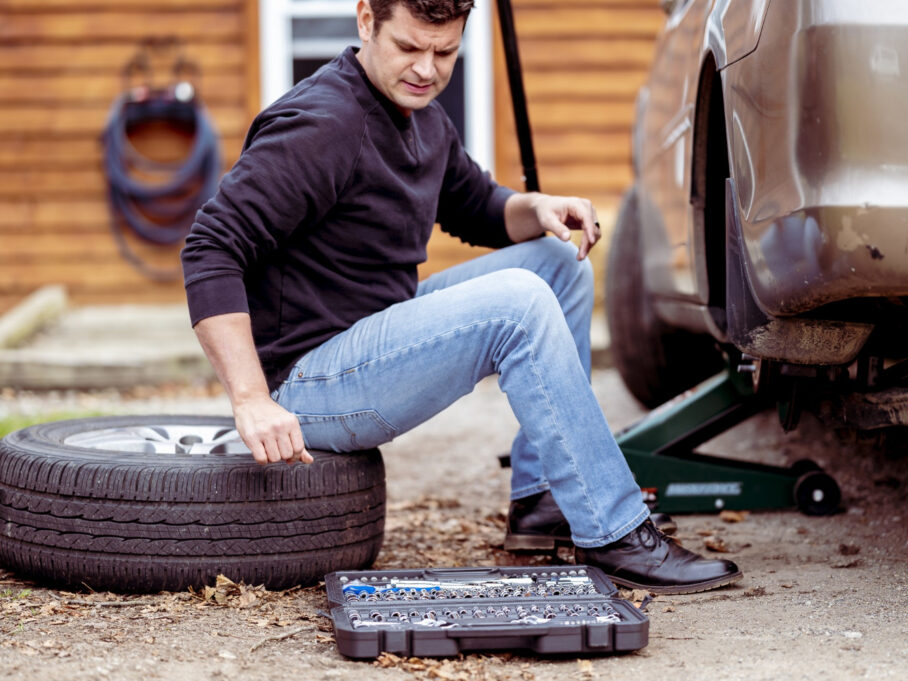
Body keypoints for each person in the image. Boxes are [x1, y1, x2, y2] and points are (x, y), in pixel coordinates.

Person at [181, 0, 741, 594]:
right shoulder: (324, 124)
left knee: (557, 263)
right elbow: (210, 246)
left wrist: (541, 207)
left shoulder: (419, 114)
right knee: (518, 303)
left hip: (374, 336)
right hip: (306, 385)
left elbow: (480, 209)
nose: (426, 69)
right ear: (366, 20)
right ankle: (614, 531)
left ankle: (544, 500)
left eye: (445, 52)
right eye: (409, 48)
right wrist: (250, 399)